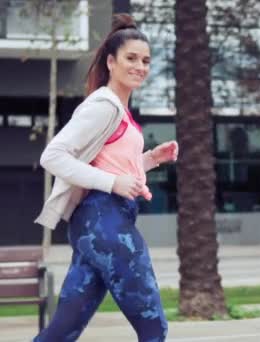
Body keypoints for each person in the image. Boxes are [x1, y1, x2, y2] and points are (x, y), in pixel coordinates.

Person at [33, 13, 177, 342]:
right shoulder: (103, 105)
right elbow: (53, 156)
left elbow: (111, 165)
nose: (140, 66)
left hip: (97, 224)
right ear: (111, 62)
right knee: (154, 328)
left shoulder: (118, 109)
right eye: (131, 58)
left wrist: (151, 159)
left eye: (146, 60)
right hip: (105, 220)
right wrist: (113, 184)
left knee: (62, 331)